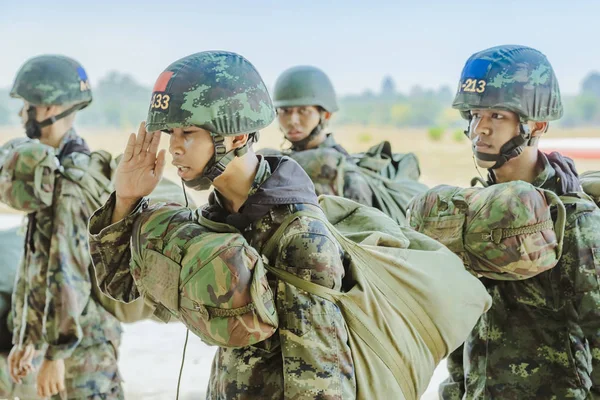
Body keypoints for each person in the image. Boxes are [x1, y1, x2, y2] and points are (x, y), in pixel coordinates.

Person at [88, 50, 356, 399]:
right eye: (172, 133)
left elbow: (321, 383)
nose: (175, 148)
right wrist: (125, 201)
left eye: (188, 133)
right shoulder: (216, 218)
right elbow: (122, 287)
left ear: (237, 137)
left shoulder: (300, 238)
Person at [439, 44, 600, 399]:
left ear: (536, 124)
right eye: (475, 115)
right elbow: (461, 326)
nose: (479, 129)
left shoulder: (572, 219)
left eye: (497, 116)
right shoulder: (471, 211)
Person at [4, 55, 123, 399]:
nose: (20, 114)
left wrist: (56, 354)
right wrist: (27, 338)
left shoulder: (69, 184)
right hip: (65, 339)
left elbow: (68, 274)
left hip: (85, 347)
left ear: (47, 108)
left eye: (25, 105)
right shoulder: (53, 170)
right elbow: (36, 266)